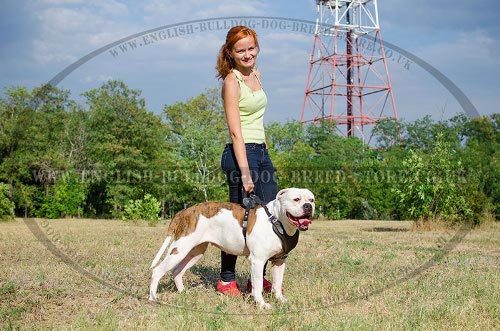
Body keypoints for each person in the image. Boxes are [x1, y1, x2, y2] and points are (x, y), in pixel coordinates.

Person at [215, 26, 278, 296]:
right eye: (240, 50)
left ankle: (255, 278)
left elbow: (256, 119)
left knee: (268, 217)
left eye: (251, 48)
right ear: (230, 52)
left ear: (257, 47)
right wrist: (246, 173)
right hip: (241, 155)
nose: (247, 54)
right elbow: (235, 131)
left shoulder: (256, 74)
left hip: (260, 152)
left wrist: (264, 151)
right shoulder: (232, 82)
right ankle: (227, 280)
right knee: (239, 220)